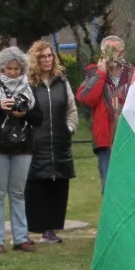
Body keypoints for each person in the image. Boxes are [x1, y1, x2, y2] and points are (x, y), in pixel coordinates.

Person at [0, 46, 43, 253]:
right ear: (1, 69)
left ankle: (21, 237)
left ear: (23, 69)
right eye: (8, 69)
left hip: (22, 147)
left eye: (16, 69)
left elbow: (39, 118)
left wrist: (25, 114)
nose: (13, 72)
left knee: (18, 193)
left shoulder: (29, 87)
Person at [26, 39, 77, 243]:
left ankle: (52, 228)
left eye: (50, 56)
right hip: (36, 143)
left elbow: (71, 110)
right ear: (35, 60)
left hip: (60, 143)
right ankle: (36, 227)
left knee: (59, 186)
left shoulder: (62, 82)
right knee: (37, 185)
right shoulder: (29, 84)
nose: (47, 60)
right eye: (43, 56)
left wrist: (69, 128)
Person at [76, 36, 132, 190]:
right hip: (105, 140)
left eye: (116, 51)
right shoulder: (93, 73)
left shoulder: (133, 73)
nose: (112, 55)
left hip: (130, 139)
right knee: (109, 187)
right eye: (108, 51)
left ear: (123, 53)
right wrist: (100, 74)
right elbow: (85, 98)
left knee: (130, 187)